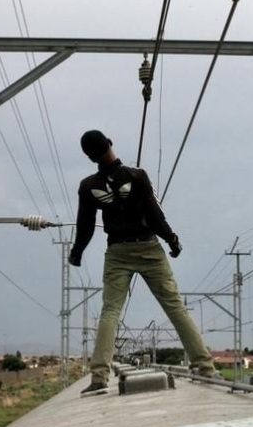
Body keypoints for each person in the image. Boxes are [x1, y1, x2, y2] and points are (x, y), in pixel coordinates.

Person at [69, 130, 218, 396]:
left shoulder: (88, 186)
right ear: (110, 143)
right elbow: (154, 215)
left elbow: (85, 226)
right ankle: (206, 368)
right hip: (149, 248)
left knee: (110, 312)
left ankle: (99, 377)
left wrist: (77, 252)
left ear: (90, 157)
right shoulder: (137, 176)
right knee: (175, 307)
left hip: (117, 252)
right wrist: (172, 240)